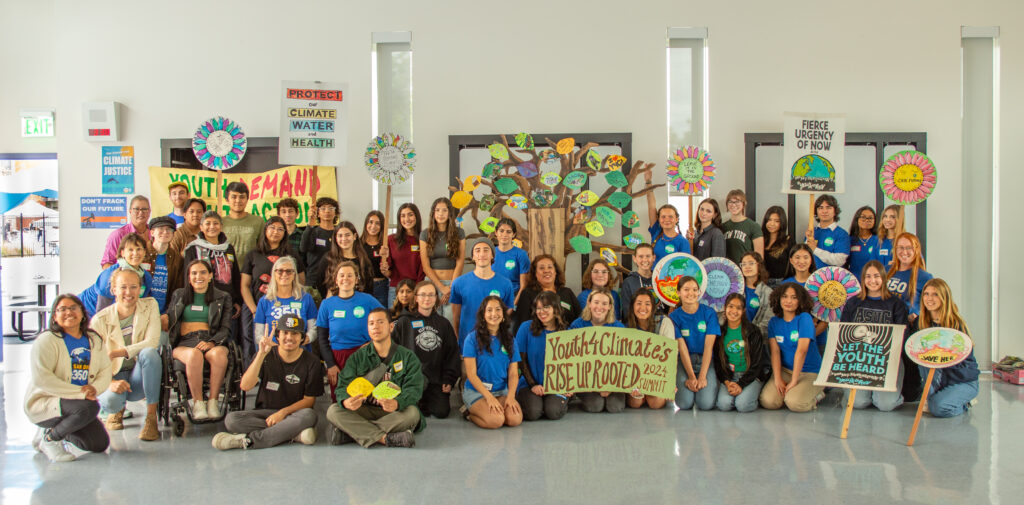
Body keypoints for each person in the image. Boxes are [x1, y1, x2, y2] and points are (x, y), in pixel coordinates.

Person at [213, 314, 321, 450]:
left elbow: (309, 401)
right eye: (285, 332)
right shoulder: (266, 355)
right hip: (265, 413)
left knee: (309, 415)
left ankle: (249, 441)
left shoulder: (312, 362)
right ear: (277, 336)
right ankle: (292, 434)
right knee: (232, 420)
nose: (289, 337)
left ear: (301, 337)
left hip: (294, 413)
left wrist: (282, 413)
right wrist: (261, 354)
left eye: (295, 333)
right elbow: (245, 386)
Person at [25, 294, 112, 462]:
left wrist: (94, 389)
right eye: (62, 309)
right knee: (89, 408)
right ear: (55, 317)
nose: (68, 312)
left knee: (99, 444)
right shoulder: (47, 340)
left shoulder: (93, 339)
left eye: (73, 308)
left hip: (78, 403)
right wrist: (80, 393)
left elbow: (105, 369)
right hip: (48, 401)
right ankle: (50, 439)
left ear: (82, 313)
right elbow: (42, 379)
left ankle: (57, 430)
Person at [328, 308, 424, 448]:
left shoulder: (407, 357)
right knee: (333, 411)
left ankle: (352, 433)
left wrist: (397, 403)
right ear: (367, 328)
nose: (375, 327)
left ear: (391, 326)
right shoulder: (358, 357)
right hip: (363, 410)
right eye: (371, 323)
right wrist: (346, 401)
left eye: (380, 322)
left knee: (413, 414)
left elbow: (414, 390)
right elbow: (342, 385)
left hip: (392, 412)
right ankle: (386, 439)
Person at [91, 269, 162, 440]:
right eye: (123, 287)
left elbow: (152, 341)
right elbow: (92, 362)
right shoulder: (99, 320)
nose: (128, 292)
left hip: (140, 374)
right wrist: (109, 383)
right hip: (114, 375)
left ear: (140, 289)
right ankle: (117, 410)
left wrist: (118, 352)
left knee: (150, 353)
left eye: (133, 287)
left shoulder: (150, 305)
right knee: (111, 402)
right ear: (113, 290)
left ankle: (151, 419)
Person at [841, 260, 913, 411]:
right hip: (859, 360)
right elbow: (844, 332)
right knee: (858, 403)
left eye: (876, 276)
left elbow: (902, 336)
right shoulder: (853, 303)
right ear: (863, 279)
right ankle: (865, 393)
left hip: (887, 360)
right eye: (868, 276)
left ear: (883, 278)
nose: (872, 281)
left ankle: (888, 395)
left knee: (885, 405)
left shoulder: (896, 304)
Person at [166, 259, 233, 420]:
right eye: (194, 273)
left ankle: (213, 401)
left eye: (203, 272)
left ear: (210, 275)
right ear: (188, 277)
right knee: (194, 355)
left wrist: (212, 342)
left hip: (211, 340)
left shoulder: (222, 297)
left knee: (218, 354)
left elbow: (225, 328)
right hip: (184, 342)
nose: (198, 276)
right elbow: (170, 321)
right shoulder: (179, 295)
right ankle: (198, 404)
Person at [392, 281, 460, 418]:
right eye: (423, 295)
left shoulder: (443, 324)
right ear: (416, 298)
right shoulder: (404, 322)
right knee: (411, 410)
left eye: (431, 295)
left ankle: (424, 401)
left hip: (436, 379)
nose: (427, 299)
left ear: (436, 298)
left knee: (441, 412)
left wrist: (449, 379)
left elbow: (452, 353)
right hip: (411, 379)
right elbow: (393, 351)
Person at [241, 217, 305, 361]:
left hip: (283, 308)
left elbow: (301, 280)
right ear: (265, 230)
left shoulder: (291, 255)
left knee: (282, 341)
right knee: (250, 338)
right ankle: (251, 376)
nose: (275, 232)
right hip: (256, 304)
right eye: (272, 228)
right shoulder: (253, 254)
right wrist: (254, 309)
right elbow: (244, 285)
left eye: (280, 229)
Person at [317, 261, 385, 395]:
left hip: (364, 354)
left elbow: (387, 322)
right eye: (341, 275)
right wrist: (330, 364)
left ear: (356, 279)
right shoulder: (327, 304)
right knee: (341, 398)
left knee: (364, 396)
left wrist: (374, 343)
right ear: (336, 280)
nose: (345, 279)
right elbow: (322, 338)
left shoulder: (368, 300)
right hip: (338, 357)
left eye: (350, 275)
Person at [916, 278, 979, 418]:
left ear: (944, 297)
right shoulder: (920, 323)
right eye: (926, 294)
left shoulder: (956, 325)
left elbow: (963, 363)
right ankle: (936, 398)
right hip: (938, 382)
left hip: (961, 380)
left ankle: (965, 403)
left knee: (938, 408)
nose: (929, 298)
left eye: (935, 294)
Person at [759, 283, 825, 412]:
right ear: (778, 299)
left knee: (794, 403)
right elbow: (775, 352)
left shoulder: (804, 318)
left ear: (800, 301)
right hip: (785, 371)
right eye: (785, 296)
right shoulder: (774, 322)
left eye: (794, 297)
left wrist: (794, 381)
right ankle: (792, 392)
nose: (789, 301)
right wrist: (778, 378)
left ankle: (818, 395)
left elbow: (802, 351)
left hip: (809, 372)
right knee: (769, 402)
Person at [462, 297, 523, 429]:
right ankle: (469, 414)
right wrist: (489, 398)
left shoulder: (510, 339)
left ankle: (494, 408)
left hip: (501, 391)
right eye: (489, 310)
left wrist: (511, 397)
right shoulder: (471, 339)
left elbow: (513, 374)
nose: (494, 314)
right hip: (477, 392)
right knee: (496, 421)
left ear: (503, 314)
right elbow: (471, 375)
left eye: (498, 310)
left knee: (514, 419)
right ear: (483, 315)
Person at [665, 276, 720, 411]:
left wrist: (701, 377)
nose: (691, 293)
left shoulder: (709, 313)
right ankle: (692, 388)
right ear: (678, 293)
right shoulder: (673, 317)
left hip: (705, 361)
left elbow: (709, 347)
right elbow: (682, 349)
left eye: (695, 290)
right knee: (684, 404)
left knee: (705, 405)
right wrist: (691, 376)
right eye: (686, 289)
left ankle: (705, 387)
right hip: (685, 361)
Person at [571, 288, 628, 413]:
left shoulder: (618, 327)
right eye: (596, 302)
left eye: (604, 303)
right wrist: (593, 387)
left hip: (613, 381)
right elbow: (572, 360)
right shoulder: (577, 326)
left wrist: (611, 387)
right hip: (586, 381)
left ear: (609, 307)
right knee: (595, 406)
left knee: (615, 407)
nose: (599, 307)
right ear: (589, 304)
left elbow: (624, 361)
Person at [515, 291, 570, 421]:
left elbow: (570, 364)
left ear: (556, 309)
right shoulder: (525, 328)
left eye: (546, 307)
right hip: (529, 384)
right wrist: (533, 384)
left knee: (553, 412)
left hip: (556, 385)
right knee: (533, 413)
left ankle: (558, 401)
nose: (541, 311)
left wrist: (569, 386)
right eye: (538, 308)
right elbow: (520, 360)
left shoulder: (566, 332)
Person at [451, 239, 516, 347]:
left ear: (492, 255)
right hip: (467, 343)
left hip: (495, 343)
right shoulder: (459, 283)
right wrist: (459, 338)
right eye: (477, 250)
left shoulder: (505, 284)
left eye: (486, 250)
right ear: (473, 256)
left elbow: (507, 312)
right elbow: (456, 316)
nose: (482, 254)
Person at [712, 293, 768, 412]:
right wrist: (727, 382)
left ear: (743, 311)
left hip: (751, 376)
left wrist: (741, 384)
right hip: (730, 376)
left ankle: (753, 393)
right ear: (725, 308)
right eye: (731, 306)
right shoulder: (720, 332)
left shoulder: (753, 331)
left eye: (738, 308)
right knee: (724, 405)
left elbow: (757, 364)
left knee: (742, 406)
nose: (734, 311)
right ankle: (739, 394)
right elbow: (718, 363)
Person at [182, 211, 242, 324]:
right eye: (208, 223)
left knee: (227, 337)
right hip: (202, 301)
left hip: (226, 301)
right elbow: (187, 277)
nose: (212, 227)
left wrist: (237, 300)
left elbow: (235, 275)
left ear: (221, 226)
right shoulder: (193, 248)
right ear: (201, 227)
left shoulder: (228, 248)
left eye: (216, 223)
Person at [79, 233, 155, 316]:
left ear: (144, 252)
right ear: (122, 253)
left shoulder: (146, 277)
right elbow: (102, 313)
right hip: (85, 311)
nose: (135, 253)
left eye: (139, 249)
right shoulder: (110, 275)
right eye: (130, 250)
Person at [253, 256, 317, 351]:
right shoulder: (264, 301)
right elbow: (258, 335)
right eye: (280, 271)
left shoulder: (306, 298)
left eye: (289, 271)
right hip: (272, 352)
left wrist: (306, 338)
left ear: (294, 274)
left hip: (300, 351)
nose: (284, 274)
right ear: (274, 273)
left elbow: (314, 329)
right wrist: (271, 345)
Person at [419, 197, 466, 322]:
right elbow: (425, 265)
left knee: (451, 322)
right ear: (433, 213)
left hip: (452, 284)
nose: (440, 214)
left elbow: (460, 262)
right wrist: (440, 287)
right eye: (437, 210)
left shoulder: (459, 233)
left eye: (444, 210)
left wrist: (450, 288)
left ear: (450, 213)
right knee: (431, 322)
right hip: (432, 284)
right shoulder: (425, 234)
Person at [625, 289, 669, 409]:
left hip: (656, 375)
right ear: (632, 306)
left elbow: (671, 356)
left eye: (647, 304)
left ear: (653, 307)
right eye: (638, 303)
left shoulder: (664, 323)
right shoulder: (625, 328)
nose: (642, 307)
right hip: (635, 377)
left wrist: (669, 382)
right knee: (636, 403)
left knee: (656, 404)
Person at [512, 254, 580, 327]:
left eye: (550, 267)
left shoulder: (567, 292)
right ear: (535, 273)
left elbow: (580, 318)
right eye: (541, 268)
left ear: (555, 272)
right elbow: (522, 323)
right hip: (539, 336)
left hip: (567, 336)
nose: (546, 271)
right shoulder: (527, 294)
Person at [382, 202, 424, 306]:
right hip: (396, 290)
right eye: (403, 216)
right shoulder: (391, 240)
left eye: (410, 214)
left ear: (416, 217)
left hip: (416, 290)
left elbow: (424, 268)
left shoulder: (424, 239)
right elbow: (388, 273)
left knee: (415, 322)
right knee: (395, 322)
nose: (407, 219)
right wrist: (384, 267)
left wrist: (417, 290)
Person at [320, 221, 374, 297]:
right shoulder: (328, 258)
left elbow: (369, 287)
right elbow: (320, 284)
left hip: (359, 304)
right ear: (335, 238)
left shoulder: (363, 259)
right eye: (340, 236)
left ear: (354, 236)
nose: (344, 239)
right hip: (335, 303)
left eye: (347, 235)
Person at [886, 232, 932, 321]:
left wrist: (916, 315)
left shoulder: (925, 277)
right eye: (901, 248)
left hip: (908, 326)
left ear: (916, 250)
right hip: (885, 324)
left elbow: (930, 305)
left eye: (909, 248)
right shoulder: (885, 270)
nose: (904, 252)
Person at [147, 216, 183, 326]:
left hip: (165, 314)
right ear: (152, 232)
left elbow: (178, 289)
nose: (165, 232)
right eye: (161, 229)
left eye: (169, 229)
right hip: (143, 311)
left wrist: (168, 313)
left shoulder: (177, 258)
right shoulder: (142, 254)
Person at [101, 195, 153, 269]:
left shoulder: (155, 234)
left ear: (149, 212)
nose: (141, 212)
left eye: (144, 209)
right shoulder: (118, 235)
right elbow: (106, 264)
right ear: (130, 211)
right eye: (136, 209)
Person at [300, 197, 339, 294]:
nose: (327, 211)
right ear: (317, 213)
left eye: (331, 208)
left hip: (335, 280)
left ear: (336, 213)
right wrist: (310, 223)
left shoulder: (340, 233)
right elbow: (303, 248)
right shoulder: (313, 231)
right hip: (314, 281)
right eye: (323, 208)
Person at [220, 181, 264, 266]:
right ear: (227, 200)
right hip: (226, 272)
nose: (238, 200)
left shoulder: (258, 222)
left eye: (242, 197)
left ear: (247, 199)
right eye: (234, 197)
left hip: (251, 271)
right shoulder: (220, 223)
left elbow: (263, 249)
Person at [804, 194, 850, 270]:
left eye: (828, 208)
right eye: (820, 208)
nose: (824, 211)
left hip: (832, 279)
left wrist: (815, 249)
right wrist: (807, 242)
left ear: (835, 211)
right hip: (813, 277)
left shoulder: (842, 234)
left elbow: (840, 260)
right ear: (816, 212)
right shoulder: (812, 232)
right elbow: (805, 257)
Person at [492, 218, 530, 305]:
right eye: (501, 231)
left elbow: (524, 286)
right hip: (492, 298)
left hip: (514, 297)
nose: (504, 234)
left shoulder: (521, 255)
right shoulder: (490, 253)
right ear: (496, 232)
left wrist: (513, 307)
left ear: (514, 234)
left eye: (508, 232)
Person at [618, 243, 660, 321]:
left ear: (654, 258)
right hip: (638, 327)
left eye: (648, 256)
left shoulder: (661, 279)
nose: (644, 260)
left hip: (659, 324)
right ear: (634, 259)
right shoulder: (628, 282)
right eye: (641, 256)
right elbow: (627, 312)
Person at [721, 189, 764, 264]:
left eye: (737, 202)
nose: (733, 205)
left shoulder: (753, 226)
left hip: (746, 271)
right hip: (727, 271)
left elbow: (759, 257)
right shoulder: (722, 227)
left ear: (744, 204)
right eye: (730, 202)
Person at [360, 210, 390, 306]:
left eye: (378, 223)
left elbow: (392, 268)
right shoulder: (358, 244)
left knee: (382, 314)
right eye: (371, 222)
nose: (373, 226)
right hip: (363, 286)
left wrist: (386, 257)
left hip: (381, 286)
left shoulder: (385, 244)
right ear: (366, 223)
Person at [739, 252, 773, 333]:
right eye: (743, 264)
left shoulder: (768, 293)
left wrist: (751, 334)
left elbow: (767, 322)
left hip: (757, 338)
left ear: (759, 266)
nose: (747, 267)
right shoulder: (735, 289)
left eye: (751, 263)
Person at [761, 206, 792, 284]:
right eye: (769, 220)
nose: (772, 224)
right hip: (762, 282)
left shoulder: (788, 240)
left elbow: (792, 266)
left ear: (782, 222)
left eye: (776, 221)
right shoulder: (760, 239)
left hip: (781, 283)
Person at [847, 206, 879, 280]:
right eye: (863, 217)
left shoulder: (879, 240)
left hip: (873, 282)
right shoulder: (849, 240)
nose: (867, 220)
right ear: (857, 219)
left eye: (870, 218)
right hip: (853, 281)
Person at [875, 204, 905, 269]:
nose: (887, 220)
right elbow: (872, 264)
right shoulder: (878, 240)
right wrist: (887, 268)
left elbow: (917, 262)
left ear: (899, 219)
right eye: (885, 216)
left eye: (892, 217)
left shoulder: (906, 240)